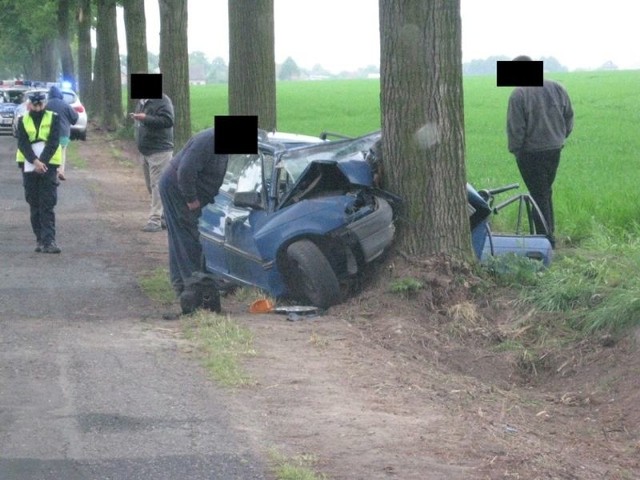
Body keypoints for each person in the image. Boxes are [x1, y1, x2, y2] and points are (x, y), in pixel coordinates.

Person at [506, 55, 574, 248]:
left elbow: (516, 128)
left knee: (538, 194)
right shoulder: (558, 88)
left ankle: (545, 240)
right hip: (554, 149)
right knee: (545, 192)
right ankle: (548, 234)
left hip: (530, 152)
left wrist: (516, 150)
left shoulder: (518, 94)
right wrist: (560, 137)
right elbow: (569, 117)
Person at [158, 128, 228, 313]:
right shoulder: (209, 141)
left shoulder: (219, 142)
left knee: (179, 237)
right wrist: (191, 199)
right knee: (187, 237)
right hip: (177, 189)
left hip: (181, 188)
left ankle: (182, 285)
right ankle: (192, 290)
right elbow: (186, 171)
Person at [16, 91, 63, 254]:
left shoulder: (53, 117)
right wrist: (35, 161)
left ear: (45, 104)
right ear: (30, 104)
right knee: (34, 203)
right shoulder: (23, 119)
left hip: (48, 163)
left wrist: (42, 161)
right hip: (29, 164)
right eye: (34, 105)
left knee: (47, 203)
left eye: (40, 105)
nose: (37, 108)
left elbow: (54, 141)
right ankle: (40, 239)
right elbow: (22, 143)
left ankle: (49, 240)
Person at [132, 93, 174, 232]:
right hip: (146, 151)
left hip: (160, 150)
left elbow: (168, 121)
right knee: (151, 186)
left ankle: (154, 220)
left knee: (157, 186)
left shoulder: (162, 100)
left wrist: (146, 118)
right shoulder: (142, 102)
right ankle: (164, 217)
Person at [45, 85, 79, 181]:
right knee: (62, 152)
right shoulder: (65, 105)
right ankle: (61, 171)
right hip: (64, 133)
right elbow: (75, 117)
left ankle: (50, 170)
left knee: (49, 152)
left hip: (49, 134)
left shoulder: (47, 105)